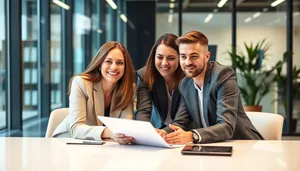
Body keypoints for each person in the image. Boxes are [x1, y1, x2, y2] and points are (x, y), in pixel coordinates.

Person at [164, 31, 264, 144]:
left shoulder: (223, 75)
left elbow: (226, 127)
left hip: (244, 146)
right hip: (213, 147)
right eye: (183, 56)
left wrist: (192, 136)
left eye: (194, 56)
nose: (187, 62)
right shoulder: (185, 84)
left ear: (207, 57)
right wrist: (164, 134)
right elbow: (181, 122)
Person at [52, 41, 135, 141]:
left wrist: (123, 136)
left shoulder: (128, 88)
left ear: (125, 67)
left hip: (104, 145)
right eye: (108, 61)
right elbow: (76, 128)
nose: (114, 67)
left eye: (120, 63)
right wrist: (111, 133)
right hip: (68, 141)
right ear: (99, 65)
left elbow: (126, 124)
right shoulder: (81, 83)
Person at [135, 33, 188, 136]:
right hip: (157, 130)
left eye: (171, 58)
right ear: (153, 57)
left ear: (180, 58)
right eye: (160, 57)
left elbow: (183, 118)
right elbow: (143, 111)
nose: (164, 63)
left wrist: (164, 132)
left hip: (183, 132)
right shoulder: (144, 75)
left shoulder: (188, 77)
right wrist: (147, 132)